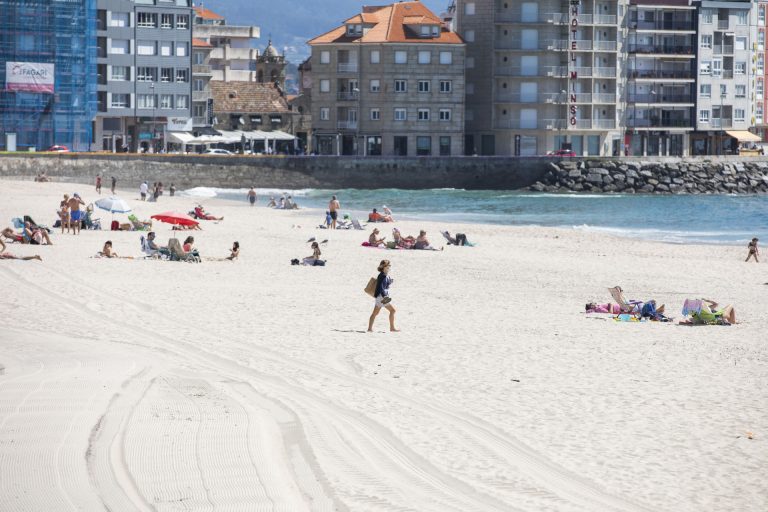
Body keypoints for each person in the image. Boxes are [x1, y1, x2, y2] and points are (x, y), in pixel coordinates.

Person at [368, 259, 398, 332]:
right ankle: (392, 328)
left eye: (389, 266)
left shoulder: (385, 275)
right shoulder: (382, 276)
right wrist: (385, 297)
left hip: (380, 297)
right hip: (382, 297)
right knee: (393, 310)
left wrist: (390, 282)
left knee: (375, 313)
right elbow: (381, 287)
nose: (389, 268)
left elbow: (385, 285)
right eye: (387, 266)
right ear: (383, 267)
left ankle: (369, 328)